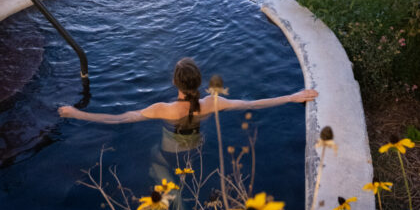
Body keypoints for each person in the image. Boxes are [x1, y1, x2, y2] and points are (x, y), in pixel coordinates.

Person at [58, 57, 318, 155]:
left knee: (153, 160)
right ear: (199, 81)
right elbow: (254, 103)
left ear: (174, 82)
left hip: (169, 150)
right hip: (198, 146)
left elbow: (118, 119)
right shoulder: (213, 104)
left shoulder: (163, 109)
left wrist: (76, 112)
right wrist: (291, 96)